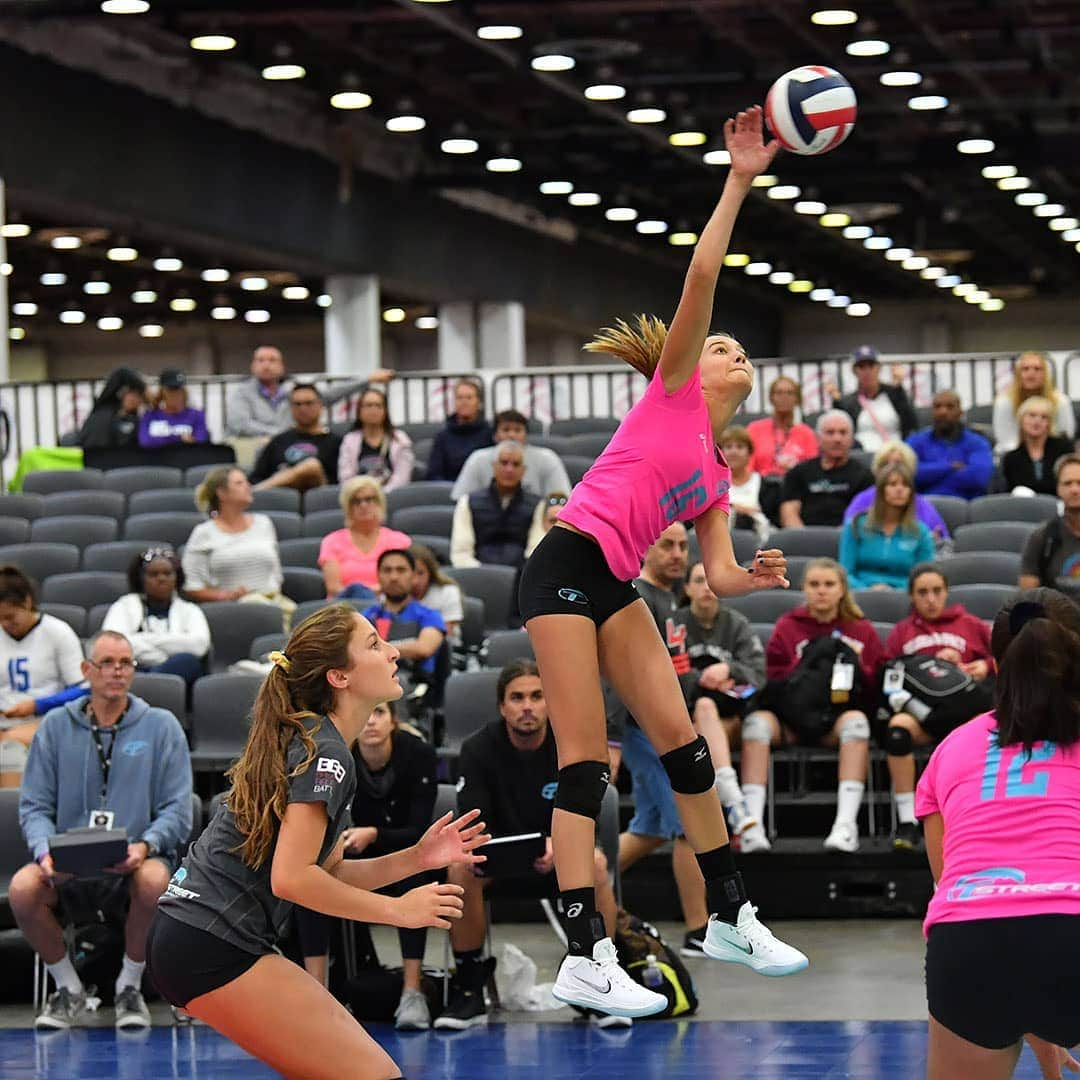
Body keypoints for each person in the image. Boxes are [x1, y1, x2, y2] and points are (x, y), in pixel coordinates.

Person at [517, 107, 808, 1021]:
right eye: (724, 345)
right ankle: (583, 950)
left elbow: (713, 576)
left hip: (616, 583)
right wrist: (738, 180)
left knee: (684, 747)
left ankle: (729, 912)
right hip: (561, 563)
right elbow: (703, 273)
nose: (732, 350)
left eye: (735, 347)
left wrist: (749, 580)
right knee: (582, 762)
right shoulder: (673, 388)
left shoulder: (719, 470)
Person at [146, 604, 488, 1080]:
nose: (391, 652)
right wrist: (398, 911)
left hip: (195, 938)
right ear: (339, 677)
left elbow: (325, 874)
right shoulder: (325, 753)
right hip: (209, 943)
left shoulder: (320, 743)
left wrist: (416, 858)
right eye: (373, 644)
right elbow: (292, 880)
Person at [918, 588, 1080, 1080]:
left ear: (993, 660)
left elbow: (961, 886)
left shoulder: (953, 748)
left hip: (970, 944)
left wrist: (1033, 1014)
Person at [13, 629, 192, 1030]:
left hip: (135, 857)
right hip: (67, 862)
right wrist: (45, 854)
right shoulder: (55, 727)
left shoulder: (161, 726)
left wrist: (146, 846)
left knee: (155, 879)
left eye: (125, 663)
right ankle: (69, 989)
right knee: (24, 890)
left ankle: (129, 985)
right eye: (107, 663)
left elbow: (178, 809)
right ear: (86, 670)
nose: (117, 672)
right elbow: (35, 806)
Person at [437, 660, 623, 1030]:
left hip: (561, 860)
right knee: (458, 869)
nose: (527, 706)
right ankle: (470, 987)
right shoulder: (476, 750)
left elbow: (586, 813)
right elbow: (474, 822)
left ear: (550, 702)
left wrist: (562, 844)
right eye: (517, 697)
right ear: (502, 706)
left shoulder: (571, 745)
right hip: (499, 861)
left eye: (537, 696)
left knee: (597, 866)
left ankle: (599, 980)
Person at [615, 526, 754, 958]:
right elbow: (634, 672)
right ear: (645, 548)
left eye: (682, 546)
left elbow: (670, 671)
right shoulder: (635, 596)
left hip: (663, 723)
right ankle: (699, 928)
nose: (677, 554)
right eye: (667, 546)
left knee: (652, 827)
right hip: (641, 727)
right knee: (686, 825)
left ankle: (574, 883)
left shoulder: (669, 601)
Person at [294, 698, 439, 1030]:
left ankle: (412, 991)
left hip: (406, 852)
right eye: (366, 713)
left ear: (393, 721)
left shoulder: (419, 754)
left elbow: (419, 832)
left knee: (415, 878)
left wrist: (374, 834)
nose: (371, 722)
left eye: (380, 712)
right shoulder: (339, 756)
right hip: (351, 854)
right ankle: (317, 993)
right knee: (310, 877)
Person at [739, 558, 882, 854]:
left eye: (829, 584)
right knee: (756, 724)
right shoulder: (788, 626)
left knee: (857, 723)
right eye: (814, 585)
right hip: (790, 719)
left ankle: (845, 826)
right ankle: (752, 825)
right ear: (804, 589)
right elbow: (771, 678)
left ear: (842, 589)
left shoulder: (861, 630)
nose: (821, 591)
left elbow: (873, 687)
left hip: (835, 719)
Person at [883, 563, 993, 852]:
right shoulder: (902, 632)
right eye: (922, 592)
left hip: (965, 715)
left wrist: (983, 666)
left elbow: (1006, 659)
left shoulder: (971, 625)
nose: (930, 599)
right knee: (897, 730)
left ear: (946, 593)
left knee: (993, 724)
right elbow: (888, 677)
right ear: (912, 597)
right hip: (923, 714)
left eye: (936, 591)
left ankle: (981, 811)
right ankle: (907, 820)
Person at [0, 566, 86, 786]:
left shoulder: (57, 632)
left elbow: (84, 689)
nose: (5, 624)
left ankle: (10, 817)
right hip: (6, 720)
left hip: (47, 720)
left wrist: (37, 705)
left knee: (10, 746)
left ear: (27, 602)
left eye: (10, 616)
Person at [182, 467, 292, 623]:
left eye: (247, 482)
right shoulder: (203, 533)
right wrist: (226, 595)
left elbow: (276, 573)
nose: (248, 486)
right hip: (232, 609)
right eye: (240, 483)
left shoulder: (264, 523)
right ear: (222, 493)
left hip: (274, 601)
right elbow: (193, 587)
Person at [102, 547, 210, 688]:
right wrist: (162, 657)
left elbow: (199, 645)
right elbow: (112, 642)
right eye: (153, 574)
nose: (161, 579)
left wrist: (140, 638)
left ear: (176, 578)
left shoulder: (190, 610)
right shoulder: (124, 605)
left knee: (186, 661)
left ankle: (147, 685)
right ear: (141, 579)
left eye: (168, 574)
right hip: (133, 668)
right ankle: (150, 684)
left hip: (176, 673)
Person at [838, 464, 936, 590]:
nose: (900, 489)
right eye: (893, 484)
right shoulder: (855, 525)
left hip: (904, 597)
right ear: (880, 490)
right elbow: (844, 573)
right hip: (859, 595)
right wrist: (866, 590)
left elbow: (924, 578)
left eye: (905, 485)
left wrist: (894, 592)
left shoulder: (921, 532)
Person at [450, 440, 543, 569]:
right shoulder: (467, 502)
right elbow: (461, 552)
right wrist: (488, 577)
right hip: (477, 574)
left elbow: (535, 550)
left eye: (516, 464)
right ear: (494, 466)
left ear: (523, 470)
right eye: (504, 463)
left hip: (521, 577)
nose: (509, 469)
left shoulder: (538, 504)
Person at [361, 549, 446, 689]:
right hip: (371, 684)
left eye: (401, 570)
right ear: (378, 576)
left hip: (414, 685)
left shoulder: (429, 615)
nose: (394, 577)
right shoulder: (367, 616)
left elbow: (424, 647)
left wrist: (377, 649)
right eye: (387, 570)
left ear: (413, 576)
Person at [319, 476, 412, 596]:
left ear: (379, 503)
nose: (363, 505)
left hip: (388, 606)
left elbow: (403, 583)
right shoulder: (331, 541)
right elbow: (333, 588)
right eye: (356, 501)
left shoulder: (399, 541)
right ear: (347, 508)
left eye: (369, 499)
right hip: (345, 607)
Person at [779, 410, 874, 528]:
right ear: (818, 438)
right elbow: (789, 513)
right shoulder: (797, 473)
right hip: (805, 539)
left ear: (852, 439)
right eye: (830, 433)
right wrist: (804, 539)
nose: (837, 439)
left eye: (843, 433)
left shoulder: (865, 476)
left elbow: (863, 517)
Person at [843, 440, 950, 544]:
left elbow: (942, 541)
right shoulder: (862, 500)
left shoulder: (923, 506)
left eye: (899, 465)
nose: (892, 471)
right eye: (886, 465)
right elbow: (849, 536)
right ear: (877, 470)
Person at [451, 409, 571, 501]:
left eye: (518, 430)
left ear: (526, 435)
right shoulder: (477, 459)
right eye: (506, 430)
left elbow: (560, 501)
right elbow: (462, 501)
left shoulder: (547, 459)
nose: (512, 435)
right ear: (495, 435)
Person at [249, 383, 340, 492]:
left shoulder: (336, 442)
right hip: (281, 499)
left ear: (321, 406)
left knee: (311, 466)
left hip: (320, 498)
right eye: (297, 404)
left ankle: (255, 491)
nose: (303, 409)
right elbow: (256, 477)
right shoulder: (278, 441)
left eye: (308, 403)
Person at [827, 345, 917, 454]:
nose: (867, 371)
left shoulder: (894, 394)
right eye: (861, 367)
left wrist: (899, 389)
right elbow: (841, 431)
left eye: (871, 365)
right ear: (854, 371)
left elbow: (911, 423)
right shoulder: (847, 402)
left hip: (894, 455)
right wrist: (837, 402)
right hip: (861, 457)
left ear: (878, 368)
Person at [907, 391, 993, 501]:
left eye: (950, 407)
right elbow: (908, 474)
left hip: (966, 508)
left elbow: (978, 478)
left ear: (960, 412)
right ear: (932, 411)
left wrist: (929, 476)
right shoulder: (916, 441)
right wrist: (949, 467)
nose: (943, 412)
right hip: (924, 507)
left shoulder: (977, 443)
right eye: (937, 406)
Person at [992, 350, 1075, 454]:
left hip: (1052, 454)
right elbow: (1005, 439)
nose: (1031, 373)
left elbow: (1065, 434)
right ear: (1018, 374)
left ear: (1045, 374)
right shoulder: (1003, 402)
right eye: (1025, 369)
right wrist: (1030, 455)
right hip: (1014, 455)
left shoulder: (1061, 401)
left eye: (1037, 369)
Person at [337, 384, 414, 491]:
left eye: (378, 405)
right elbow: (346, 478)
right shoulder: (349, 441)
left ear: (385, 411)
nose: (373, 410)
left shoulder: (401, 440)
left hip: (391, 497)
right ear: (359, 411)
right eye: (368, 405)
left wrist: (380, 495)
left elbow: (402, 479)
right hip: (358, 498)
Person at [1020, 454, 1080, 590]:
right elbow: (1027, 598)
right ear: (1058, 488)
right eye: (1067, 483)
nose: (1074, 490)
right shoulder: (1042, 537)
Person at [745, 375, 818, 478]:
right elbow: (746, 468)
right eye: (779, 393)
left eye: (790, 393)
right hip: (761, 487)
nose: (784, 397)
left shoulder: (807, 434)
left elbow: (812, 469)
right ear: (771, 398)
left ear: (797, 399)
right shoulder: (754, 430)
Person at [1000, 396, 1074, 497]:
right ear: (1021, 420)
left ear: (1049, 424)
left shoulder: (1064, 449)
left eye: (1044, 417)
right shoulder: (1011, 458)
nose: (1037, 421)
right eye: (1032, 415)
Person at [425, 378, 495, 482]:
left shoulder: (490, 434)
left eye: (469, 398)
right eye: (459, 398)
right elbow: (434, 473)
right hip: (448, 490)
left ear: (479, 402)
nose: (464, 402)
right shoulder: (442, 436)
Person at [225, 345, 291, 439]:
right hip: (249, 446)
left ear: (282, 367)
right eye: (260, 360)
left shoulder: (292, 393)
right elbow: (239, 425)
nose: (266, 365)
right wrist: (278, 434)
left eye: (272, 360)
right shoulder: (241, 392)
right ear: (252, 366)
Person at [720, 426, 770, 544]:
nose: (734, 451)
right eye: (728, 447)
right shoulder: (712, 484)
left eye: (740, 447)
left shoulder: (764, 485)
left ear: (749, 453)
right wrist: (736, 508)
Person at [76, 366, 147, 449]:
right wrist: (145, 388)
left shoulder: (137, 420)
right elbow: (121, 372)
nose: (136, 399)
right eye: (132, 394)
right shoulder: (103, 413)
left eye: (139, 396)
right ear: (122, 393)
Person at [137, 369, 208, 448]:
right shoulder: (150, 416)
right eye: (170, 390)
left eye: (178, 389)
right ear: (162, 392)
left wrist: (160, 441)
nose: (175, 394)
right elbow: (145, 442)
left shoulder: (196, 415)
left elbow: (200, 441)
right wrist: (178, 438)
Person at [409, 543, 464, 642]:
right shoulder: (392, 594)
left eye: (420, 573)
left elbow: (446, 634)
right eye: (410, 573)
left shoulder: (448, 591)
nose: (415, 580)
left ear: (430, 572)